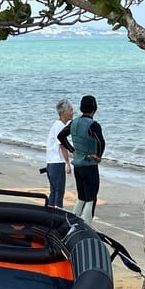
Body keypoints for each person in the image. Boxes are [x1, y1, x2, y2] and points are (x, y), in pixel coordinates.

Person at [57, 95, 105, 225]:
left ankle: (73, 223)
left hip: (78, 165)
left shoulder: (74, 122)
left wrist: (72, 150)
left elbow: (61, 136)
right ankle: (87, 225)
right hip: (89, 165)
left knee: (81, 197)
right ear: (94, 108)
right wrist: (98, 156)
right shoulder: (93, 125)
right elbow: (101, 142)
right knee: (91, 198)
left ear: (81, 108)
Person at [45, 98, 73, 208]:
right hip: (57, 162)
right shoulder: (59, 126)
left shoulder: (57, 125)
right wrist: (68, 163)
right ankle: (57, 212)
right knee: (58, 192)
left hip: (52, 162)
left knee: (54, 191)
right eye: (70, 110)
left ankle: (50, 212)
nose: (72, 112)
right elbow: (62, 145)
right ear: (63, 112)